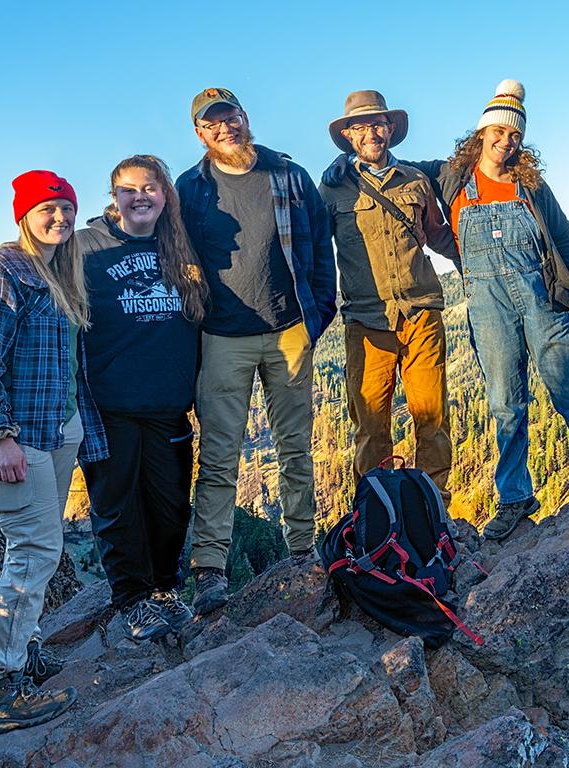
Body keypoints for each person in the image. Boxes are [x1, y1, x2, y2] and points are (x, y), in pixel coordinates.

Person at [324, 80, 569, 540]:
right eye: (497, 132)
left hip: (540, 302)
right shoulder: (449, 178)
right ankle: (515, 495)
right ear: (479, 136)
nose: (505, 141)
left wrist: (564, 288)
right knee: (506, 404)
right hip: (482, 306)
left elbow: (562, 234)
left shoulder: (530, 186)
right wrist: (343, 165)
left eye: (514, 135)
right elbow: (383, 172)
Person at [0, 170, 108, 736]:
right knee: (34, 550)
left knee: (42, 546)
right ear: (24, 213)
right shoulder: (1, 269)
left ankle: (26, 652)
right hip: (16, 432)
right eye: (49, 208)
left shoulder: (60, 272)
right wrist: (1, 436)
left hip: (56, 428)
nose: (61, 218)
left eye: (67, 208)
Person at [176, 87, 337, 614]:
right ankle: (210, 570)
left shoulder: (287, 174)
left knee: (296, 449)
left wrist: (321, 311)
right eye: (212, 124)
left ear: (246, 118)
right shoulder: (190, 188)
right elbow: (167, 248)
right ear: (199, 133)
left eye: (231, 117)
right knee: (220, 455)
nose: (225, 129)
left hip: (290, 330)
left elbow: (319, 242)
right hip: (222, 336)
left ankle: (302, 552)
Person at [78, 155, 209, 640]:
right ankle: (131, 599)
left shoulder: (180, 243)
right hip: (109, 406)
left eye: (149, 188)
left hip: (169, 404)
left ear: (164, 195)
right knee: (117, 506)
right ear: (114, 196)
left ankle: (163, 589)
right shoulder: (85, 246)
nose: (140, 197)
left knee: (170, 504)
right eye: (128, 189)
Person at [319, 90, 460, 504]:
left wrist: (482, 261)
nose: (371, 133)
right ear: (348, 135)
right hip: (365, 322)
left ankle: (435, 509)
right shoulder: (332, 191)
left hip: (421, 315)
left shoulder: (415, 181)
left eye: (378, 123)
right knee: (370, 427)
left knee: (432, 419)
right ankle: (375, 514)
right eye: (360, 126)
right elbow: (311, 252)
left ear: (391, 129)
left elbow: (438, 236)